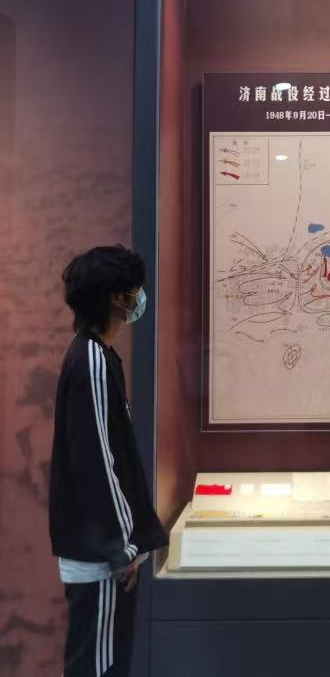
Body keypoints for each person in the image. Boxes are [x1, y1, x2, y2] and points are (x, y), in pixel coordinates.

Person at [49, 245, 167, 677]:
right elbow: (97, 459)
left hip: (102, 552)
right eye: (135, 289)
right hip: (102, 557)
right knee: (98, 667)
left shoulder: (95, 356)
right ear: (117, 298)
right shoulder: (92, 360)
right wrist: (121, 547)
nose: (140, 297)